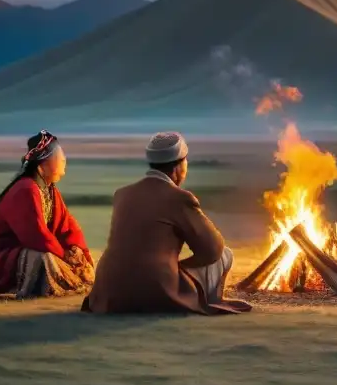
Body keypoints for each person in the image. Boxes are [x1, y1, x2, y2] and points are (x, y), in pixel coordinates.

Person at [81, 131, 252, 315]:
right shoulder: (180, 198)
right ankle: (207, 299)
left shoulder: (122, 194)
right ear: (178, 166)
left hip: (108, 292)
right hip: (155, 290)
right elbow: (213, 248)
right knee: (225, 254)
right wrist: (182, 266)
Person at [0, 130, 95, 298]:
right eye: (60, 156)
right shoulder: (26, 189)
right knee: (44, 257)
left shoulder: (51, 190)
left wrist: (80, 252)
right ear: (42, 163)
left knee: (73, 254)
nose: (64, 160)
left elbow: (68, 227)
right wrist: (63, 254)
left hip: (29, 250)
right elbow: (36, 236)